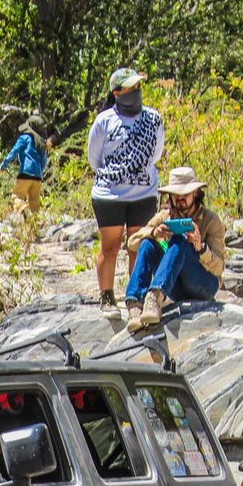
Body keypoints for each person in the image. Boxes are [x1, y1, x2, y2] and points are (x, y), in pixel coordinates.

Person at [87, 68, 165, 318]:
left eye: (137, 87)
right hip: (109, 195)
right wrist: (118, 176)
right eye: (130, 88)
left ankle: (136, 297)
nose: (135, 92)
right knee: (109, 247)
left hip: (144, 194)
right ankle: (107, 297)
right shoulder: (104, 120)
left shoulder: (153, 118)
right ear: (116, 92)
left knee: (138, 247)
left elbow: (156, 153)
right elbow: (94, 158)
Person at [123, 166, 226, 332]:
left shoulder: (211, 220)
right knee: (147, 244)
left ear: (196, 194)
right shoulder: (166, 216)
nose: (180, 199)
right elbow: (132, 242)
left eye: (184, 195)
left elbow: (219, 267)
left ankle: (155, 297)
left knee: (180, 240)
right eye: (176, 196)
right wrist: (154, 232)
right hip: (175, 285)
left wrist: (200, 247)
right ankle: (135, 304)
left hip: (204, 284)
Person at [0, 113, 50, 214]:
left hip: (25, 174)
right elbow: (44, 161)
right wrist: (39, 172)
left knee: (16, 196)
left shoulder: (25, 138)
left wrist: (4, 164)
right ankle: (34, 224)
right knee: (34, 203)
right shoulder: (42, 143)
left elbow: (14, 152)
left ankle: (23, 208)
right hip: (37, 176)